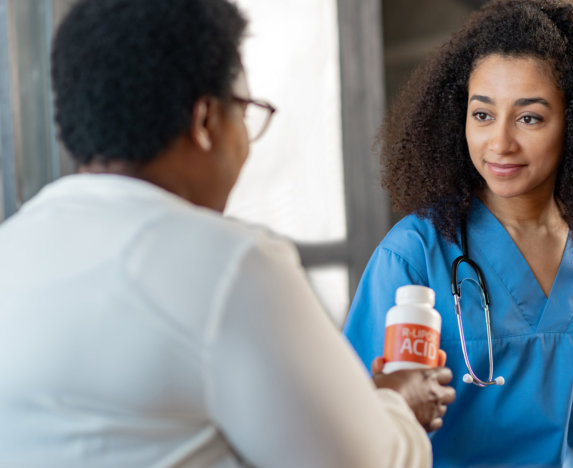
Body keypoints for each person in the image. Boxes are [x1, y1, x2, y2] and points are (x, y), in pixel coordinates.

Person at [0, 0, 455, 466]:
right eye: (246, 110)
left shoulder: (11, 251)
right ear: (205, 122)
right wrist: (399, 406)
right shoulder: (230, 264)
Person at [343, 0, 573, 466]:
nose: (501, 143)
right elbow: (355, 414)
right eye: (483, 115)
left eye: (529, 117)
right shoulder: (413, 254)